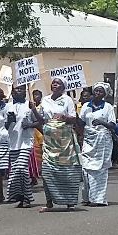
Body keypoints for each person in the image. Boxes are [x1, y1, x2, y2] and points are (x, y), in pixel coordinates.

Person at [38, 77, 82, 213]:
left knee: (66, 172)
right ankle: (49, 202)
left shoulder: (67, 100)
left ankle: (69, 202)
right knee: (47, 171)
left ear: (63, 87)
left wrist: (64, 118)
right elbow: (40, 118)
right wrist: (33, 109)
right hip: (49, 142)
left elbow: (73, 118)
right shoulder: (45, 100)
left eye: (58, 83)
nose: (54, 84)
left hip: (64, 143)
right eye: (53, 83)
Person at [78, 83, 116, 207]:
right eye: (96, 91)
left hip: (102, 141)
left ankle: (98, 199)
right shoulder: (85, 106)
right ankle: (87, 197)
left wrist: (101, 122)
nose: (97, 93)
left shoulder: (108, 107)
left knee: (99, 170)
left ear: (104, 94)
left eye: (100, 92)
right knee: (86, 168)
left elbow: (112, 125)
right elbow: (81, 122)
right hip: (89, 140)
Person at [7, 85, 42, 208]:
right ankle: (21, 197)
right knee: (15, 172)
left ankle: (27, 197)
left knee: (22, 168)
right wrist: (8, 121)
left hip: (26, 141)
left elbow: (40, 121)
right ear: (12, 92)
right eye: (17, 89)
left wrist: (30, 124)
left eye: (22, 89)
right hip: (12, 142)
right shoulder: (8, 106)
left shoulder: (29, 105)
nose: (20, 91)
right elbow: (4, 126)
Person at [30, 90, 44, 183]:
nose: (36, 97)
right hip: (34, 134)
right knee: (36, 156)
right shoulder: (31, 107)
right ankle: (35, 174)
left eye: (38, 95)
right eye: (34, 95)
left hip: (42, 133)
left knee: (43, 154)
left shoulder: (43, 106)